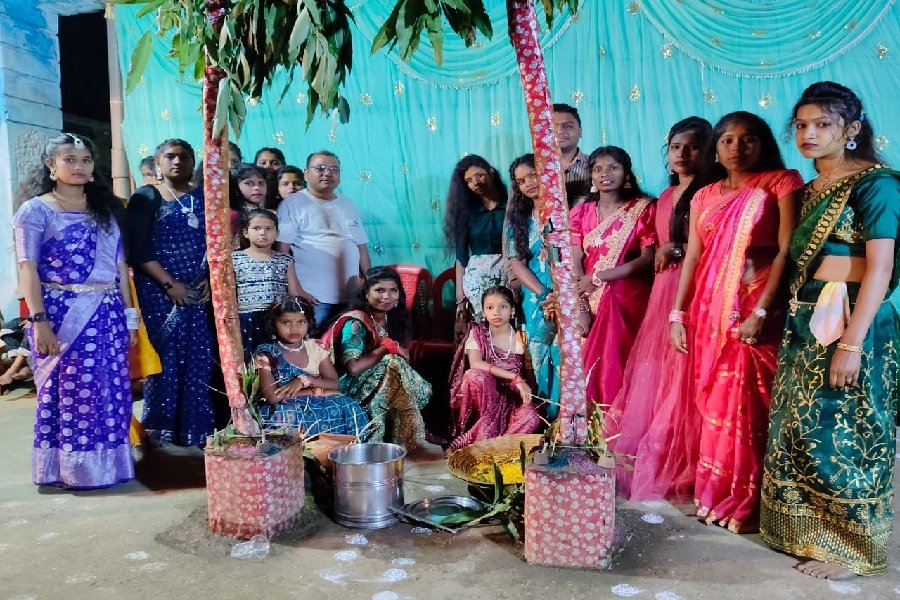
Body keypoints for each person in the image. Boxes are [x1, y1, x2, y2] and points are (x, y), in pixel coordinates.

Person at [760, 82, 900, 578]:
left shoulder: (875, 185)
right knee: (803, 428)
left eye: (823, 124)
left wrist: (852, 343)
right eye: (801, 125)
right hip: (805, 319)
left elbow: (880, 268)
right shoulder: (809, 189)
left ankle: (853, 549)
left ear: (852, 129)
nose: (809, 134)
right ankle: (806, 531)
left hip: (855, 320)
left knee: (849, 431)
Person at [669, 111, 804, 533]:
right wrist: (677, 314)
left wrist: (762, 309)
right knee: (715, 401)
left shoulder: (782, 182)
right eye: (727, 140)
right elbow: (694, 258)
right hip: (710, 309)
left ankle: (753, 502)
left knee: (749, 401)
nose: (737, 148)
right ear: (716, 148)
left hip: (758, 303)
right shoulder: (704, 195)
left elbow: (787, 250)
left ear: (763, 145)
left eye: (748, 139)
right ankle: (717, 493)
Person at [13, 132, 136, 488]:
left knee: (109, 390)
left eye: (85, 160)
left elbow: (119, 268)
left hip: (108, 314)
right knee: (69, 391)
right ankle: (70, 469)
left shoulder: (105, 212)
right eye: (69, 159)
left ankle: (109, 466)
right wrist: (39, 322)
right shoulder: (35, 211)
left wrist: (130, 319)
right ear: (50, 166)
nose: (79, 166)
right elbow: (27, 269)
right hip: (61, 314)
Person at [606, 117, 712, 500]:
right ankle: (658, 451)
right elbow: (654, 250)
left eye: (693, 146)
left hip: (695, 286)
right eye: (675, 147)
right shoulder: (664, 199)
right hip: (663, 288)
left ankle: (690, 461)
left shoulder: (710, 193)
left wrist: (678, 249)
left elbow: (710, 247)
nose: (682, 154)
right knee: (657, 368)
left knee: (686, 369)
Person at [126, 138, 216, 446]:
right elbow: (137, 249)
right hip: (159, 292)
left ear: (192, 162)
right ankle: (160, 429)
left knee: (198, 357)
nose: (177, 162)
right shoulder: (146, 197)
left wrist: (210, 278)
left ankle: (195, 429)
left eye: (184, 157)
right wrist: (169, 285)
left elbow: (216, 243)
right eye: (170, 157)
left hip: (199, 290)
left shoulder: (204, 196)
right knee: (165, 358)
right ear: (158, 163)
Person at [571, 146, 656, 411]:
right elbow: (574, 259)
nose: (604, 174)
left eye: (613, 168)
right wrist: (581, 306)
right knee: (587, 366)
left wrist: (599, 277)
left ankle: (620, 421)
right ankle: (593, 425)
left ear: (626, 173)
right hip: (587, 297)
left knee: (618, 363)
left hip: (626, 298)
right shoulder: (580, 213)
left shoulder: (643, 209)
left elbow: (647, 259)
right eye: (598, 169)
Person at [327, 267, 431, 447]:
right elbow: (353, 368)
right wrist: (386, 348)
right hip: (348, 386)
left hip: (381, 383)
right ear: (366, 293)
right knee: (391, 363)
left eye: (393, 290)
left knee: (394, 367)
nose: (387, 296)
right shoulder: (356, 323)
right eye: (379, 290)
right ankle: (376, 438)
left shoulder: (394, 319)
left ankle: (403, 437)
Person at [275, 151, 371, 327]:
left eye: (334, 169)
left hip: (351, 297)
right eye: (320, 168)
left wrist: (369, 283)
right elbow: (282, 251)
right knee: (314, 342)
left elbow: (361, 248)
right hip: (314, 298)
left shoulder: (347, 204)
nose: (327, 173)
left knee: (348, 342)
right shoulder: (292, 204)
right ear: (306, 173)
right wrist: (297, 290)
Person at [254, 297, 369, 436]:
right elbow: (273, 397)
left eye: (301, 322)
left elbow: (334, 384)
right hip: (286, 406)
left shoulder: (315, 347)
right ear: (273, 324)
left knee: (346, 404)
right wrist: (314, 392)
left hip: (317, 401)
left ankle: (346, 448)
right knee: (290, 414)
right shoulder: (266, 354)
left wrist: (304, 381)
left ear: (309, 323)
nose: (294, 328)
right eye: (285, 322)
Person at [447, 286, 541, 451]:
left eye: (502, 307)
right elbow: (476, 363)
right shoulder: (478, 333)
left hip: (511, 400)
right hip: (484, 398)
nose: (496, 312)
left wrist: (529, 395)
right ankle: (480, 438)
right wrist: (515, 378)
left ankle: (495, 447)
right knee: (475, 376)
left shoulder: (521, 337)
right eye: (490, 308)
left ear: (512, 310)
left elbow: (530, 374)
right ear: (483, 312)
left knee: (532, 417)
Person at [505, 153, 561, 419]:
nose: (528, 183)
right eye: (521, 181)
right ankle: (548, 419)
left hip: (567, 293)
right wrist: (543, 293)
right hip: (536, 297)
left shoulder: (565, 212)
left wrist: (560, 293)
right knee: (539, 354)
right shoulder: (519, 221)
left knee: (564, 353)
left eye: (532, 175)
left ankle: (569, 419)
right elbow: (517, 263)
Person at [444, 155, 508, 331]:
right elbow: (461, 256)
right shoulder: (466, 212)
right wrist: (460, 297)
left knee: (509, 331)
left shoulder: (511, 205)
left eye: (479, 175)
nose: (475, 183)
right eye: (469, 181)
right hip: (476, 282)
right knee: (481, 334)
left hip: (509, 276)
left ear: (491, 172)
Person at [233, 209, 302, 357]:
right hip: (246, 319)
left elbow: (294, 294)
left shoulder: (285, 260)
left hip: (277, 318)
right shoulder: (235, 259)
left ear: (277, 233)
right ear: (246, 233)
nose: (263, 233)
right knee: (251, 360)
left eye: (269, 228)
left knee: (275, 359)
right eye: (256, 228)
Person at [552, 103, 590, 204]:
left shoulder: (595, 166)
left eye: (568, 126)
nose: (560, 131)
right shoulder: (532, 167)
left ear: (580, 131)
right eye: (553, 126)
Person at [229, 163, 272, 249]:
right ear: (236, 187)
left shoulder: (269, 214)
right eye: (249, 183)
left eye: (261, 183)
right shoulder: (232, 215)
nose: (257, 188)